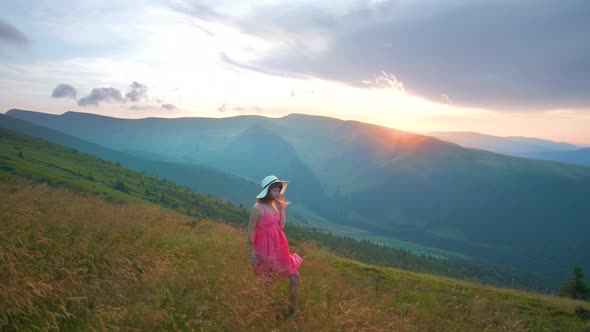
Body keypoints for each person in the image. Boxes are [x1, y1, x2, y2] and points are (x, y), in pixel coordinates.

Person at [248, 175, 302, 315]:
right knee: (267, 282)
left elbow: (281, 225)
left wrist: (282, 208)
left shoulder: (274, 205)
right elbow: (250, 230)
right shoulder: (257, 208)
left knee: (295, 276)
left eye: (278, 190)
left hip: (279, 246)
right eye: (274, 190)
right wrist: (252, 253)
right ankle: (261, 312)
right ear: (267, 191)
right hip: (265, 248)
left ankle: (292, 307)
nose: (278, 193)